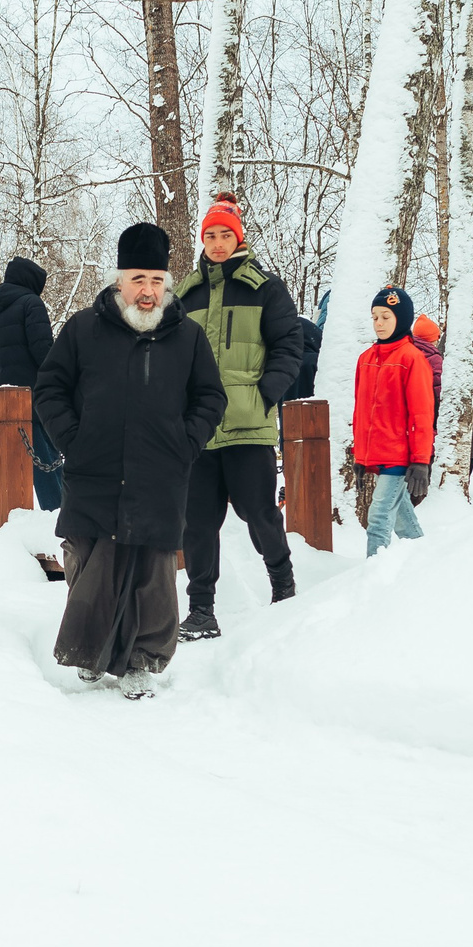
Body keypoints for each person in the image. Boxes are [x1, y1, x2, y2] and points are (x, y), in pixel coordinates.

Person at [35, 222, 226, 699]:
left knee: (152, 572)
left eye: (156, 281)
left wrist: (185, 443)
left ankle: (142, 659)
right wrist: (74, 440)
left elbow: (210, 397)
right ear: (120, 280)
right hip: (94, 471)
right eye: (138, 279)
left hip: (159, 476)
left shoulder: (187, 337)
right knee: (88, 562)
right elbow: (50, 388)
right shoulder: (83, 328)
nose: (147, 291)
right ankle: (91, 652)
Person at [173, 193, 303, 640]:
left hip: (248, 424)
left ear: (238, 236)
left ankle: (284, 590)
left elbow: (290, 345)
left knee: (259, 513)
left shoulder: (264, 287)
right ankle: (201, 611)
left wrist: (265, 393)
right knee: (198, 523)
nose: (217, 243)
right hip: (199, 430)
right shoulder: (184, 294)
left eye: (225, 234)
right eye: (210, 235)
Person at [352, 286, 435, 557]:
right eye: (375, 317)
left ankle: (372, 578)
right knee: (401, 518)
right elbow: (362, 413)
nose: (379, 323)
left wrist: (421, 460)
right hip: (377, 453)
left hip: (401, 455)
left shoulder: (412, 359)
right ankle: (427, 561)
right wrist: (360, 455)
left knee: (378, 518)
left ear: (401, 318)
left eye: (386, 317)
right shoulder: (365, 359)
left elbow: (422, 414)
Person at [0, 257, 63, 509]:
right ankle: (56, 510)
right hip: (36, 392)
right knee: (47, 455)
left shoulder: (3, 309)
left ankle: (18, 512)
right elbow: (42, 348)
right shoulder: (31, 303)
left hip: (10, 393)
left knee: (22, 458)